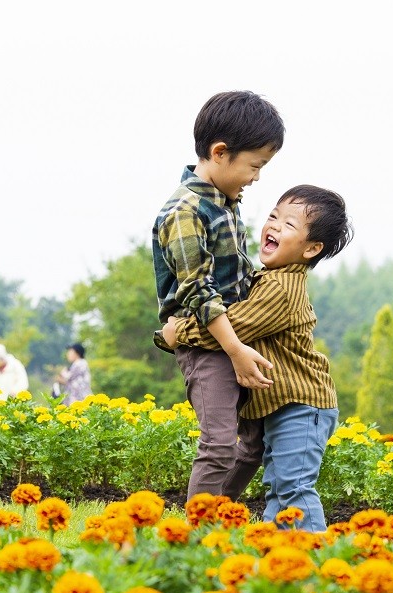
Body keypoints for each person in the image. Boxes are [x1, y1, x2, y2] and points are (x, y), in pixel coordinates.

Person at [162, 185, 354, 532]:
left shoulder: (281, 289)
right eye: (273, 217)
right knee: (279, 485)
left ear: (311, 249)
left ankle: (314, 559)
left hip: (302, 405)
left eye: (289, 225)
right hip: (286, 405)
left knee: (292, 487)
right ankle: (277, 554)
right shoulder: (267, 278)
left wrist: (178, 333)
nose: (275, 226)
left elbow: (235, 328)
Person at [152, 90, 285, 501]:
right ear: (221, 152)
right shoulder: (185, 211)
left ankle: (213, 515)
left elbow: (238, 271)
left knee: (253, 445)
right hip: (210, 346)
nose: (257, 176)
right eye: (255, 165)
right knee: (220, 444)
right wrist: (235, 350)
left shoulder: (226, 202)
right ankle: (197, 534)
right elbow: (198, 290)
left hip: (235, 338)